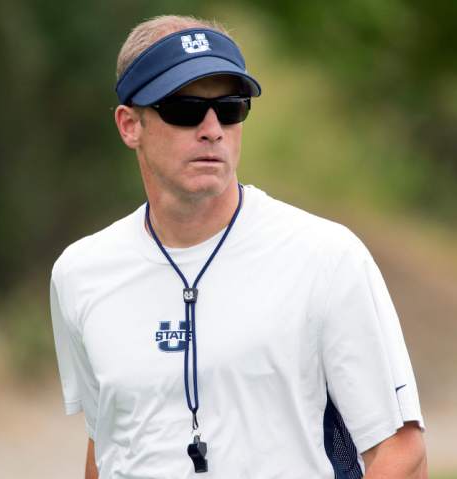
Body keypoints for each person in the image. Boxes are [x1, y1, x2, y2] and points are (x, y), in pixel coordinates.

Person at [50, 14, 427, 479]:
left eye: (231, 108)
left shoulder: (326, 257)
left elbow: (401, 454)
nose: (212, 129)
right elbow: (106, 445)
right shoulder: (80, 273)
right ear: (130, 125)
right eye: (184, 108)